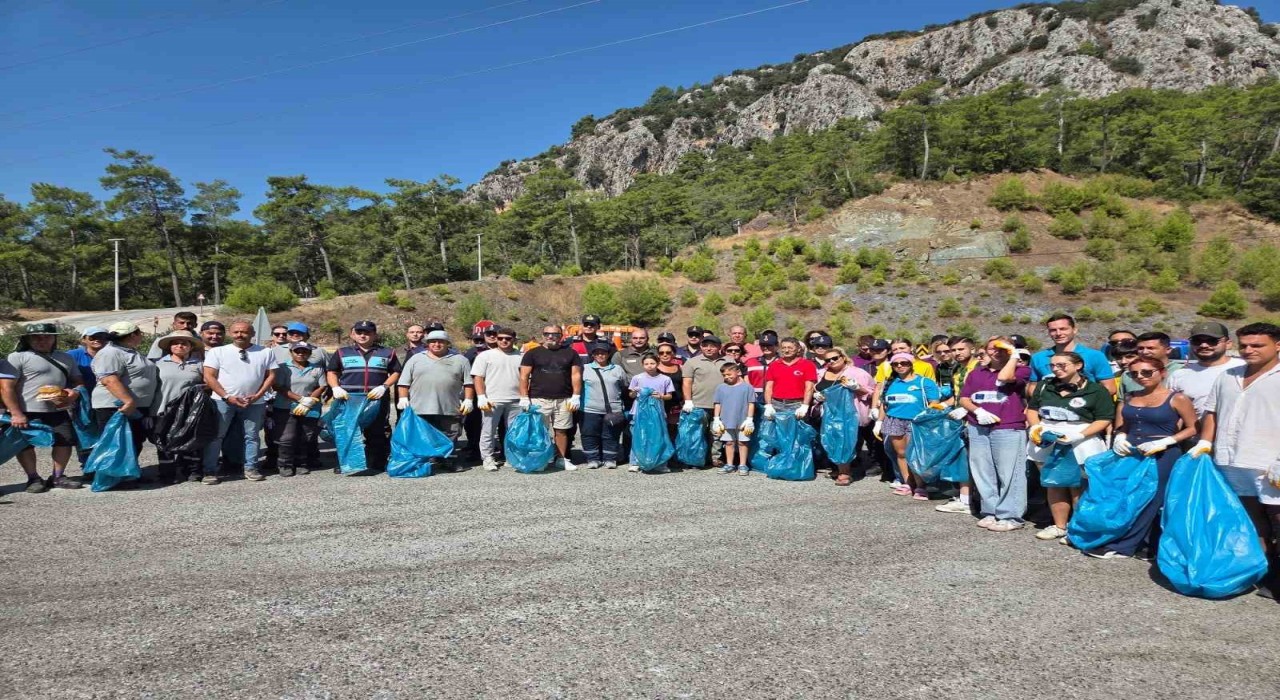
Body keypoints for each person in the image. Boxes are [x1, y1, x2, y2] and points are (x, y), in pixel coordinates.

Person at [1198, 322, 1280, 597]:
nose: (1249, 350)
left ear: (1277, 345)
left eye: (1257, 345)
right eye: (1244, 345)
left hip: (1270, 463)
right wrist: (1204, 443)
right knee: (1250, 520)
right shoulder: (1227, 375)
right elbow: (1211, 411)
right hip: (1231, 460)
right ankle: (1260, 573)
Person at [1097, 358, 1199, 559]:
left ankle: (1127, 545)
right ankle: (1133, 541)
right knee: (1127, 495)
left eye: (1147, 372)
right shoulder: (1129, 397)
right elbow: (1123, 424)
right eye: (1134, 374)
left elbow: (1193, 427)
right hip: (1132, 452)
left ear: (1162, 372)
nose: (1140, 377)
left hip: (1162, 453)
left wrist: (1167, 441)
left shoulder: (1176, 398)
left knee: (1152, 498)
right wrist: (1120, 436)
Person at [1026, 350, 1116, 542]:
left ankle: (1079, 528)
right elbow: (1033, 409)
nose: (1056, 369)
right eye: (1053, 366)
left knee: (1078, 485)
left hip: (1081, 440)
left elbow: (1104, 418)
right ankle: (1060, 526)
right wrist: (1035, 427)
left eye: (1062, 365)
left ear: (1078, 365)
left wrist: (1079, 434)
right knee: (1053, 483)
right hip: (1047, 437)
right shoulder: (1044, 386)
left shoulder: (1096, 390)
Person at [952, 338, 1029, 530]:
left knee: (1010, 472)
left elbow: (1004, 379)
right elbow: (964, 398)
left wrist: (1013, 355)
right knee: (983, 469)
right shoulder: (977, 373)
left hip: (1007, 426)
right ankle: (991, 510)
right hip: (978, 426)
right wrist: (977, 411)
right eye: (992, 349)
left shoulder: (1021, 370)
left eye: (1001, 348)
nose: (997, 352)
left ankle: (1011, 515)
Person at [3, 323, 83, 491]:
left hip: (57, 408)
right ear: (28, 339)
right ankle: (33, 478)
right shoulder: (17, 357)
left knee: (65, 441)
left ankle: (58, 477)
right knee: (25, 444)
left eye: (47, 336)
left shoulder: (66, 358)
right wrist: (16, 413)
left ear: (55, 338)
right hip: (27, 410)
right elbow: (6, 387)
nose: (42, 340)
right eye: (36, 337)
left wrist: (74, 393)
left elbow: (78, 382)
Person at [202, 321, 276, 483]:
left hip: (254, 403)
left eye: (244, 332)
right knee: (217, 436)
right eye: (236, 332)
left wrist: (258, 395)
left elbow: (271, 375)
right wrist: (226, 396)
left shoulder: (265, 351)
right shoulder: (218, 351)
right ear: (230, 333)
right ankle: (210, 470)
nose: (240, 335)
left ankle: (251, 467)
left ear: (252, 334)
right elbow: (209, 376)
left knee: (252, 436)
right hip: (223, 401)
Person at [327, 320, 401, 474]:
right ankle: (345, 463)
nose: (363, 335)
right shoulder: (342, 352)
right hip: (349, 399)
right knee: (347, 431)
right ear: (353, 334)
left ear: (374, 335)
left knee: (377, 431)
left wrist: (385, 386)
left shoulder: (387, 352)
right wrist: (335, 387)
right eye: (359, 332)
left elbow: (396, 372)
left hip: (376, 398)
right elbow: (332, 372)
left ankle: (377, 462)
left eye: (367, 332)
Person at [397, 330, 474, 472]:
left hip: (450, 407)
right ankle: (423, 462)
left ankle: (446, 460)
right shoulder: (415, 359)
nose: (437, 344)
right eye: (433, 341)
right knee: (422, 436)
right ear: (427, 344)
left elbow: (469, 383)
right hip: (420, 408)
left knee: (450, 436)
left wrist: (468, 400)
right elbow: (403, 383)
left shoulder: (460, 360)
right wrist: (403, 398)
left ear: (447, 343)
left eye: (441, 342)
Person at [90, 322, 159, 466]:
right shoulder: (110, 352)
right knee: (117, 442)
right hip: (117, 406)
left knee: (134, 440)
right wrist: (128, 401)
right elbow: (109, 379)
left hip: (135, 406)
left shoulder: (129, 350)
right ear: (134, 334)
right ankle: (113, 476)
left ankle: (128, 473)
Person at [875, 352, 942, 500]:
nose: (900, 366)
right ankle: (908, 483)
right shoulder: (890, 383)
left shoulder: (924, 382)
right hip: (894, 420)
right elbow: (884, 404)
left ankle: (921, 486)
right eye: (896, 364)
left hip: (917, 422)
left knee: (916, 454)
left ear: (911, 364)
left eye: (904, 363)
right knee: (901, 453)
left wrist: (924, 417)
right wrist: (879, 421)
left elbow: (934, 403)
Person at [519, 325, 582, 470]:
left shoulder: (571, 353)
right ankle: (541, 459)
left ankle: (561, 458)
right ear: (543, 335)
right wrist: (524, 397)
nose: (550, 337)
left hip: (564, 399)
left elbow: (576, 375)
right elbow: (524, 376)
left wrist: (576, 395)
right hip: (539, 398)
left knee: (561, 430)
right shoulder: (532, 353)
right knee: (539, 431)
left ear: (561, 336)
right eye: (547, 334)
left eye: (554, 334)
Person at [151, 330, 206, 484]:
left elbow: (208, 383)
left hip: (190, 411)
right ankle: (167, 474)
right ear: (170, 347)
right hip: (163, 409)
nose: (180, 345)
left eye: (184, 343)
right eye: (176, 343)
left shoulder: (199, 364)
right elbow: (152, 388)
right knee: (164, 442)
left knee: (192, 441)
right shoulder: (158, 365)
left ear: (190, 346)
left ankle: (192, 471)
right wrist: (150, 413)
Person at [812, 346, 872, 485]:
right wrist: (817, 397)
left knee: (846, 442)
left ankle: (845, 473)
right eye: (828, 360)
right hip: (827, 414)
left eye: (835, 358)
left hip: (849, 414)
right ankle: (837, 468)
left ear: (843, 357)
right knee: (830, 441)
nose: (832, 361)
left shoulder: (857, 373)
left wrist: (857, 387)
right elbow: (815, 388)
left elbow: (872, 392)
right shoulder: (821, 373)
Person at [1168, 322, 1245, 419]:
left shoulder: (1244, 368)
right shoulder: (1179, 374)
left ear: (1228, 343)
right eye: (1197, 341)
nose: (1204, 345)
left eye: (1212, 341)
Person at [271, 342, 326, 477]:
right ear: (291, 352)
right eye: (297, 351)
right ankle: (285, 464)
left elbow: (322, 386)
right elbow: (278, 386)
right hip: (285, 406)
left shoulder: (317, 368)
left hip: (309, 407)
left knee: (305, 436)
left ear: (309, 353)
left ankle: (301, 463)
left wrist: (308, 401)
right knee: (287, 437)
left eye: (304, 351)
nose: (301, 353)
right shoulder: (283, 368)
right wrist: (299, 399)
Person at [472, 327, 523, 471]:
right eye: (500, 338)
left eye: (507, 338)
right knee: (488, 430)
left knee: (513, 432)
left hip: (516, 400)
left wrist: (525, 397)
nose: (504, 341)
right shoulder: (485, 356)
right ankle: (488, 457)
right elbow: (478, 377)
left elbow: (526, 379)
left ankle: (511, 457)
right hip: (492, 400)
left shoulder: (521, 356)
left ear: (514, 340)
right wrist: (481, 396)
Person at [1029, 314, 1116, 396]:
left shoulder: (1095, 356)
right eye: (1053, 330)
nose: (1058, 333)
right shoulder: (1038, 358)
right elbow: (1033, 386)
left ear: (1074, 330)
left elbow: (1109, 388)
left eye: (1063, 329)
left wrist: (1085, 400)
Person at [681, 334, 729, 468]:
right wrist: (688, 401)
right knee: (697, 433)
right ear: (701, 347)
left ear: (719, 347)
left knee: (717, 433)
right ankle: (696, 459)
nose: (708, 348)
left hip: (721, 405)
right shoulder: (692, 362)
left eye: (712, 346)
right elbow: (687, 383)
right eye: (705, 345)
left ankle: (715, 458)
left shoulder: (727, 360)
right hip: (698, 404)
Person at [580, 343, 627, 469]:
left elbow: (624, 385)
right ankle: (593, 459)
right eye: (597, 353)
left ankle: (610, 459)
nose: (600, 355)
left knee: (611, 435)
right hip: (589, 408)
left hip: (613, 409)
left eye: (603, 353)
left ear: (608, 354)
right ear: (593, 355)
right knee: (589, 434)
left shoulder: (617, 369)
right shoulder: (585, 368)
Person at [712, 362, 755, 476]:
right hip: (726, 420)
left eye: (729, 374)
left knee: (742, 442)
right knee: (729, 442)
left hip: (743, 421)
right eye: (724, 375)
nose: (727, 377)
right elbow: (717, 404)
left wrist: (749, 419)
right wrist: (716, 419)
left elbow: (751, 403)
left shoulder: (747, 387)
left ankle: (742, 464)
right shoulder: (721, 387)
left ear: (738, 372)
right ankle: (730, 464)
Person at [762, 336, 817, 422]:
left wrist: (805, 406)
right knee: (777, 433)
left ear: (798, 349)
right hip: (776, 404)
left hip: (797, 404)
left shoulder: (807, 365)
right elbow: (768, 387)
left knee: (797, 433)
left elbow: (809, 388)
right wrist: (768, 405)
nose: (786, 350)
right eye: (784, 348)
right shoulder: (774, 365)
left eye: (790, 348)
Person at [655, 342, 684, 441]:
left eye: (668, 352)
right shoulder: (653, 368)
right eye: (661, 352)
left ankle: (672, 456)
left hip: (676, 405)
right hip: (658, 405)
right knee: (659, 433)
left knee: (673, 433)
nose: (665, 355)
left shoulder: (680, 368)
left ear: (674, 354)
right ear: (658, 355)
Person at [744, 332, 779, 402]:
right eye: (763, 345)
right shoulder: (750, 362)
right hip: (754, 400)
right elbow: (746, 382)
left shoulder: (783, 362)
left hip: (776, 401)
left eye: (769, 345)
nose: (765, 348)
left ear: (777, 346)